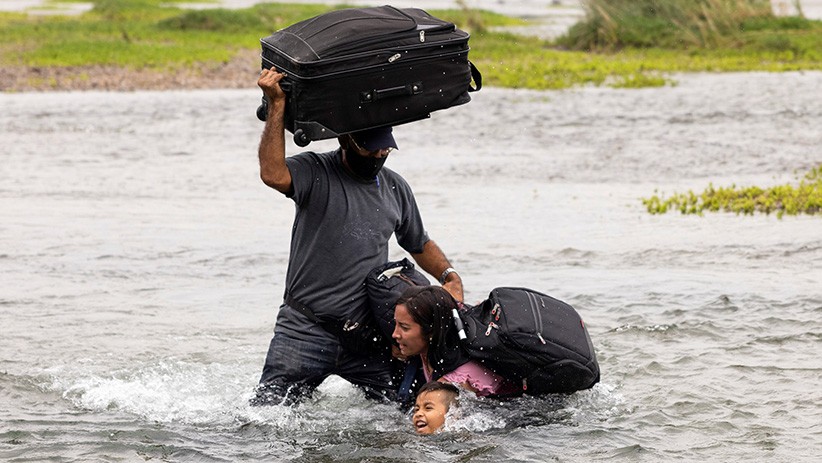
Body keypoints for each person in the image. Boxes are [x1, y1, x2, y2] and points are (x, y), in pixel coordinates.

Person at [252, 68, 464, 405]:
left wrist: (449, 276)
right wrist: (276, 104)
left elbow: (418, 243)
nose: (378, 155)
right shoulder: (316, 172)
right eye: (370, 149)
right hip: (304, 328)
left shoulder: (395, 186)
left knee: (405, 411)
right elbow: (272, 173)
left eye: (384, 149)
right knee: (266, 415)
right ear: (345, 140)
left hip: (367, 335)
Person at [392, 286, 522, 398]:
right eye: (395, 324)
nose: (395, 334)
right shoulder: (444, 332)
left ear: (431, 331)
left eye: (404, 327)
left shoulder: (454, 382)